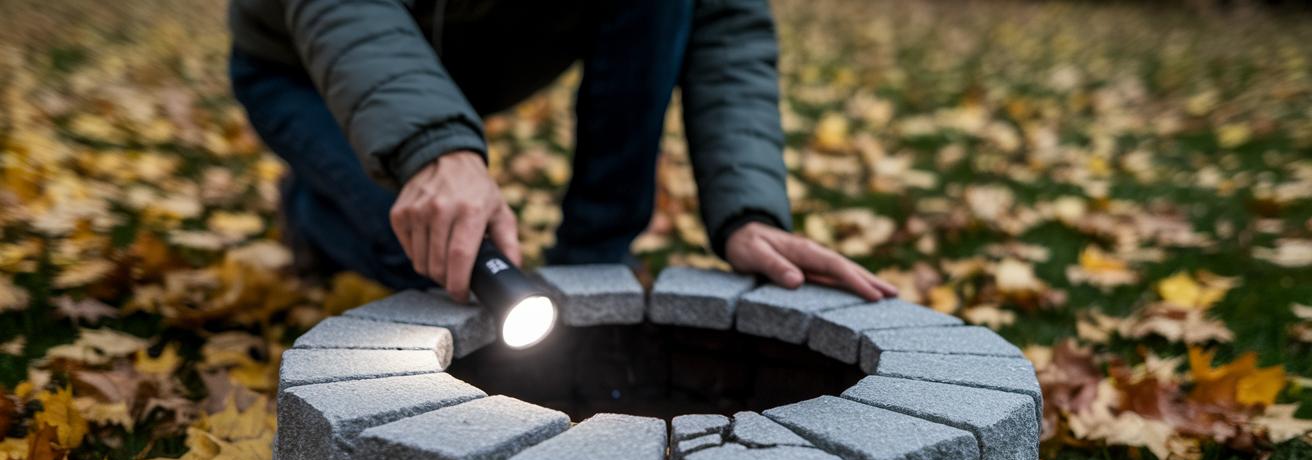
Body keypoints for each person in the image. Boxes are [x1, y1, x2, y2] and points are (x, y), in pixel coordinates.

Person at [228, 0, 899, 304]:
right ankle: (312, 211)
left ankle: (595, 261)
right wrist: (433, 148)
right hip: (302, 66)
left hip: (469, 59)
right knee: (437, 259)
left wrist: (749, 211)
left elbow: (727, 27)